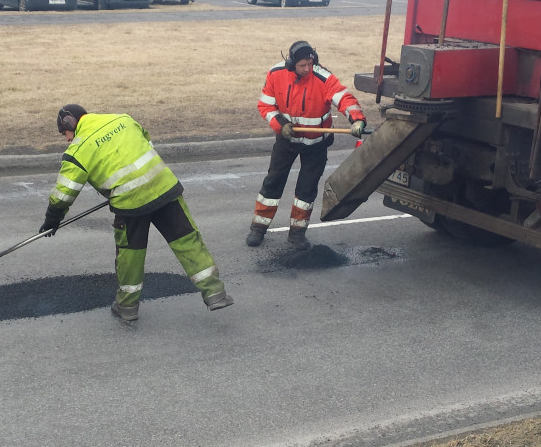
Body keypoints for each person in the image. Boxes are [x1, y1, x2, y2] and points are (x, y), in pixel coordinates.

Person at [40, 104, 233, 323]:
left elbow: (64, 194)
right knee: (188, 241)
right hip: (164, 189)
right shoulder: (123, 119)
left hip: (130, 205)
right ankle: (215, 293)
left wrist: (52, 219)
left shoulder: (77, 150)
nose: (67, 139)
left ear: (70, 123)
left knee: (130, 256)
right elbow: (146, 145)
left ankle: (127, 307)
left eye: (64, 133)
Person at [247, 40, 367, 250]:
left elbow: (344, 98)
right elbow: (265, 105)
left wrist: (356, 119)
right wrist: (281, 125)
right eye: (302, 65)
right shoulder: (276, 74)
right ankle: (258, 228)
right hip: (287, 140)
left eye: (310, 64)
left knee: (306, 189)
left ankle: (297, 234)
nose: (307, 69)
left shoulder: (323, 77)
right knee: (273, 182)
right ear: (291, 64)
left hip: (316, 145)